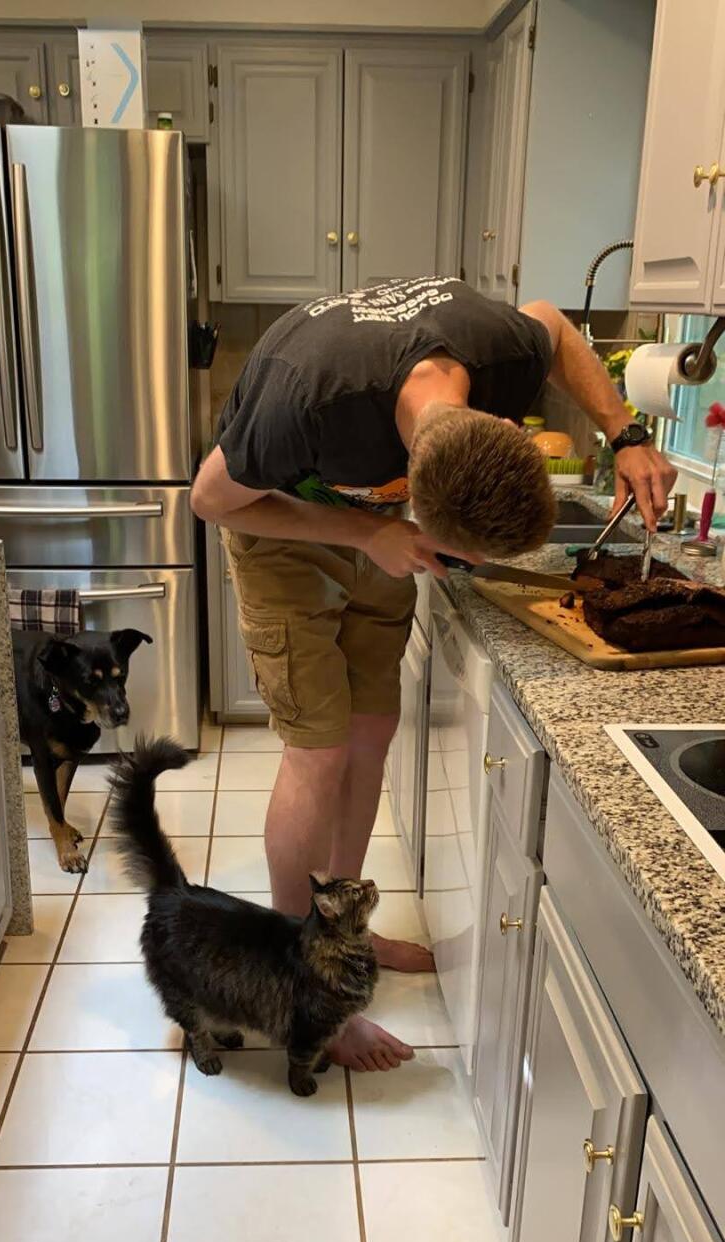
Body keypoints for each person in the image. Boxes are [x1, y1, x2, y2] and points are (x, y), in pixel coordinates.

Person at [192, 276, 675, 1072]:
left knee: (371, 733)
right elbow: (210, 499)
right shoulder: (308, 394)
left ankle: (344, 932)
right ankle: (302, 984)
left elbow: (552, 324)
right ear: (410, 476)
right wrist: (360, 529)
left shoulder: (497, 354)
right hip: (280, 527)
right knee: (318, 750)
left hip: (384, 532)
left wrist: (624, 434)